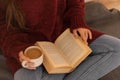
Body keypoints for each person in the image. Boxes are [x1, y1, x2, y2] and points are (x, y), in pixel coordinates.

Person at [0, 0, 120, 80]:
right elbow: (3, 28)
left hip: (65, 35)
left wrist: (77, 21)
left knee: (117, 49)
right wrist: (18, 50)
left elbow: (75, 2)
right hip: (27, 45)